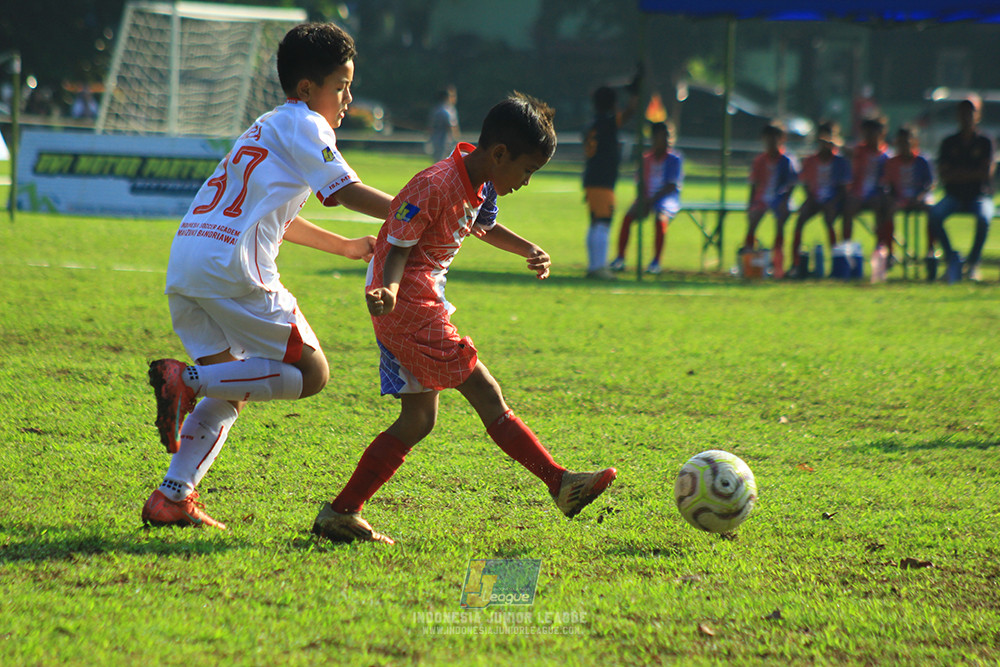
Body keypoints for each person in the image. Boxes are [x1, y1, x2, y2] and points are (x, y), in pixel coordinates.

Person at [313, 93, 617, 544]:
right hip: (408, 301)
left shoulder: (483, 181)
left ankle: (340, 513)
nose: (528, 182)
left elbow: (484, 225)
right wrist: (392, 290)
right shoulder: (434, 184)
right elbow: (395, 243)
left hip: (416, 299)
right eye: (527, 170)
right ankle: (560, 483)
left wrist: (526, 248)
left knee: (418, 419)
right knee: (485, 389)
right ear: (499, 154)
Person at [141, 22, 396, 530]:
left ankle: (173, 496)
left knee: (229, 388)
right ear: (307, 89)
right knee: (314, 373)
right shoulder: (307, 125)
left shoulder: (268, 125)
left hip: (189, 258)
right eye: (341, 86)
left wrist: (345, 245)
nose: (348, 98)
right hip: (233, 267)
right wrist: (415, 214)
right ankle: (184, 378)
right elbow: (346, 190)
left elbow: (275, 213)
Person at [928, 96, 996, 281]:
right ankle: (952, 260)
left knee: (984, 217)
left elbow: (985, 174)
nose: (967, 115)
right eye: (963, 111)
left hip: (979, 195)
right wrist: (970, 173)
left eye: (971, 111)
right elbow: (944, 175)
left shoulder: (985, 141)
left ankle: (973, 264)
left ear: (978, 115)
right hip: (954, 195)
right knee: (934, 215)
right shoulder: (948, 142)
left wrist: (958, 173)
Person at [582, 69, 641, 280]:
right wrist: (635, 92)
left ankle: (595, 265)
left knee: (596, 222)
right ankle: (598, 267)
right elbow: (630, 112)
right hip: (602, 180)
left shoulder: (594, 122)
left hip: (592, 177)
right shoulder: (608, 122)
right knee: (603, 222)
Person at [609, 121, 683, 274]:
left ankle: (656, 261)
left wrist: (652, 200)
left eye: (668, 136)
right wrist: (643, 198)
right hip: (646, 197)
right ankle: (620, 258)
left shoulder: (674, 159)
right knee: (627, 217)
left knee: (660, 219)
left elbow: (672, 185)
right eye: (663, 136)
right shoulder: (646, 159)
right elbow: (640, 181)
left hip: (665, 198)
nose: (666, 140)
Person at [789, 121, 850, 277]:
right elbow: (806, 183)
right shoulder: (811, 161)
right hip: (815, 199)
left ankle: (836, 264)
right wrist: (811, 198)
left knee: (829, 221)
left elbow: (843, 189)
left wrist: (833, 202)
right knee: (800, 220)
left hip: (834, 200)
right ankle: (795, 264)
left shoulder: (840, 161)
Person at [743, 122, 798, 277]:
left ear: (781, 139)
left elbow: (792, 185)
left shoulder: (787, 160)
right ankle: (748, 260)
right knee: (752, 220)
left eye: (774, 138)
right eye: (767, 139)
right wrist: (750, 204)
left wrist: (785, 201)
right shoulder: (759, 160)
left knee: (780, 224)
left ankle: (778, 264)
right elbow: (754, 184)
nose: (770, 142)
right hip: (763, 197)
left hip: (780, 199)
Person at [881, 125, 934, 265]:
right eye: (900, 143)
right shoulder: (892, 162)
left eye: (907, 143)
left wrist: (920, 197)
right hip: (900, 198)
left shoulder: (922, 161)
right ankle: (890, 251)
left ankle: (931, 249)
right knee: (887, 210)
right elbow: (888, 185)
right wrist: (893, 199)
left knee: (932, 209)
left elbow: (930, 184)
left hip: (919, 197)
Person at [841, 116, 889, 243]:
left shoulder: (886, 155)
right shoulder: (859, 150)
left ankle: (881, 245)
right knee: (848, 207)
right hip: (858, 191)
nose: (868, 137)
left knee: (881, 207)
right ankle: (846, 244)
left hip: (877, 193)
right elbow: (846, 150)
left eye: (871, 133)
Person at [428, 85, 460, 162]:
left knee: (437, 164)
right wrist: (457, 139)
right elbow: (452, 127)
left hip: (435, 140)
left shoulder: (436, 109)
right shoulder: (448, 111)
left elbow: (430, 127)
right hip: (446, 142)